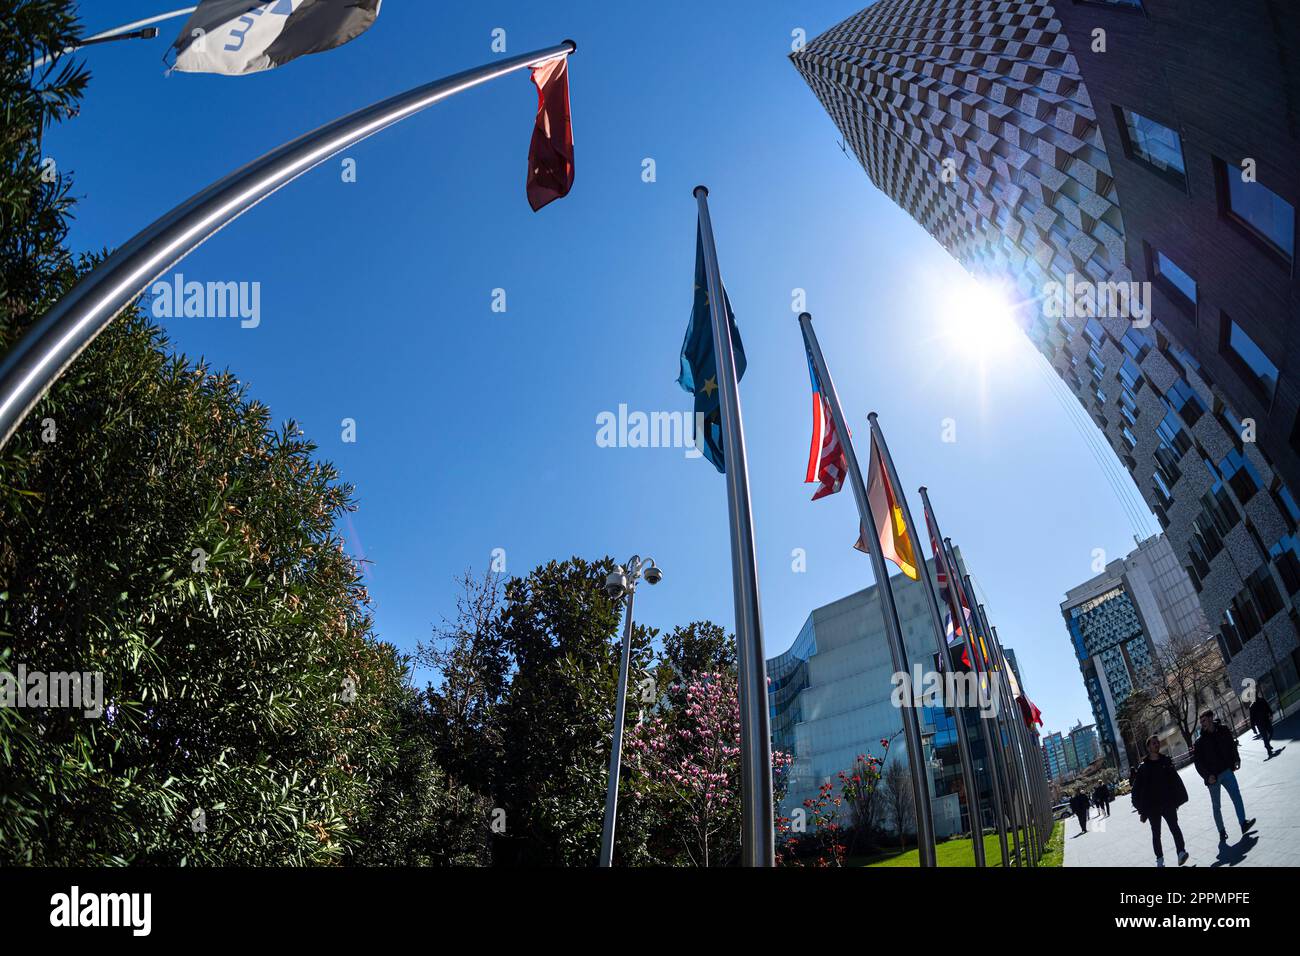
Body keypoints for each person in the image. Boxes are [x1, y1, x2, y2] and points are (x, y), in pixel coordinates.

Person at [1192, 710, 1256, 842]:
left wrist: (1236, 759)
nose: (1202, 724)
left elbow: (1232, 745)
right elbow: (1198, 763)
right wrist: (1207, 776)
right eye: (1201, 721)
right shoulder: (1199, 742)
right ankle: (1222, 832)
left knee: (1236, 797)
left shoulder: (1223, 730)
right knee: (1217, 806)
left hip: (1226, 771)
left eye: (1204, 720)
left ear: (1211, 718)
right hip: (1213, 778)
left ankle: (1243, 823)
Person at [1131, 735, 1190, 867]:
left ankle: (1181, 853)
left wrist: (1177, 800)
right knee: (1156, 834)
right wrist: (1142, 810)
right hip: (1153, 808)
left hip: (1168, 803)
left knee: (1175, 827)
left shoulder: (1166, 761)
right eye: (1153, 743)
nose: (1156, 745)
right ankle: (1160, 860)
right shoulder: (1143, 768)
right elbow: (1136, 790)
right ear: (1148, 747)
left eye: (1157, 743)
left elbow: (1174, 781)